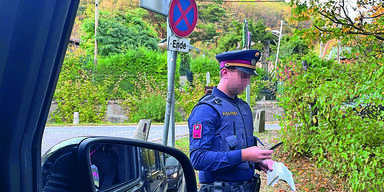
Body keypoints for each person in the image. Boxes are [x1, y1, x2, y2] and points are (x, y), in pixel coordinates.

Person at [188, 49, 275, 192]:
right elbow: (198, 158)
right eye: (242, 76)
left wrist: (259, 162)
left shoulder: (244, 108)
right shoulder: (206, 109)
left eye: (249, 77)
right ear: (225, 72)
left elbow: (239, 150)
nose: (247, 82)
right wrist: (244, 155)